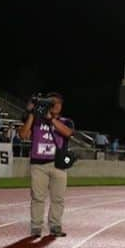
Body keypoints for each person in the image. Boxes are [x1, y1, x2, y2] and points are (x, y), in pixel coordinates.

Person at [18, 92, 74, 238]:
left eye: (58, 103)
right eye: (52, 102)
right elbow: (23, 135)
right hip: (38, 164)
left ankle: (55, 226)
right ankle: (36, 227)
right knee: (38, 197)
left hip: (58, 165)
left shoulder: (66, 121)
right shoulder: (36, 120)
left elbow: (68, 133)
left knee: (58, 198)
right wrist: (32, 113)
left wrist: (51, 120)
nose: (55, 105)